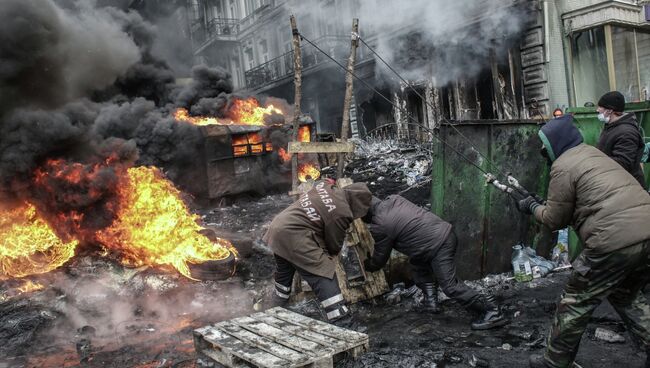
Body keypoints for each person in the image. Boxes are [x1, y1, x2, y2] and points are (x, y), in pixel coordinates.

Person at [512, 115, 650, 368]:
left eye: (544, 146)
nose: (542, 151)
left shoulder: (563, 166)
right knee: (626, 295)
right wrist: (541, 204)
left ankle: (554, 363)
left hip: (613, 240)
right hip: (645, 231)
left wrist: (532, 207)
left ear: (555, 143)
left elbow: (554, 220)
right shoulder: (591, 154)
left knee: (575, 302)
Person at [362, 195, 508, 330]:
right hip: (440, 237)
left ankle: (492, 310)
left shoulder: (380, 224)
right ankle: (431, 302)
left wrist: (368, 264)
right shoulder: (394, 199)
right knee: (418, 265)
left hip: (439, 245)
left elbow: (380, 259)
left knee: (450, 287)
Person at [263, 180, 371, 327]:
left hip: (278, 228)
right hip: (294, 236)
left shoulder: (327, 187)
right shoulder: (341, 213)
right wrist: (326, 255)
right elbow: (334, 245)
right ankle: (343, 322)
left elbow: (318, 185)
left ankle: (272, 307)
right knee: (324, 272)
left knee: (285, 271)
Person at [596, 91, 646, 189]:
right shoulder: (611, 127)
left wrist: (596, 161)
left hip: (629, 188)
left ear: (609, 110)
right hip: (619, 184)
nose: (597, 110)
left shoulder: (627, 132)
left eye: (600, 107)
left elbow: (623, 162)